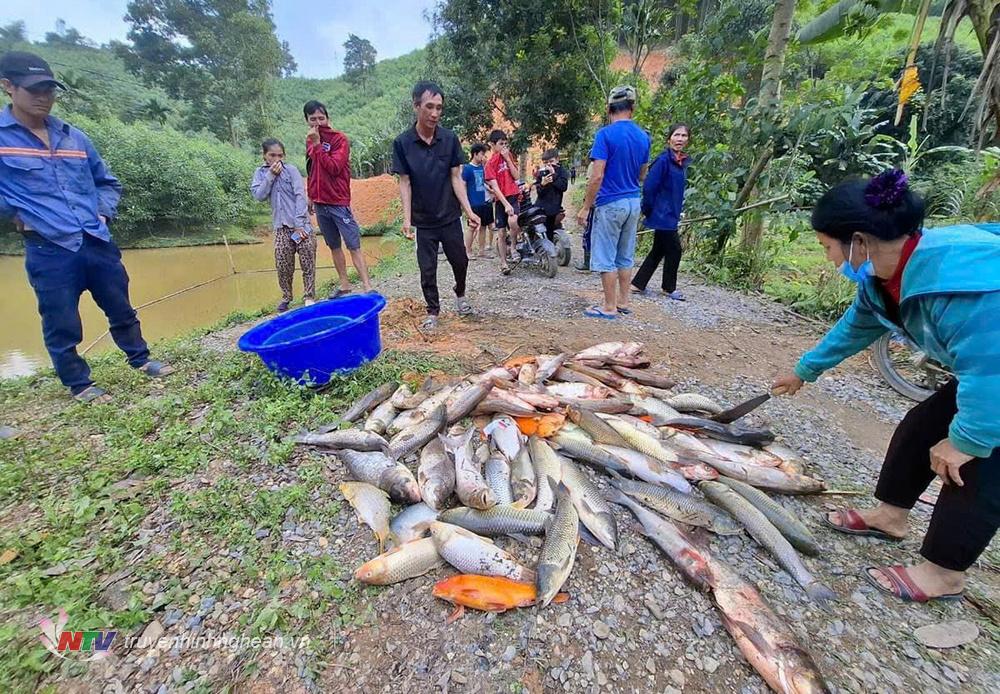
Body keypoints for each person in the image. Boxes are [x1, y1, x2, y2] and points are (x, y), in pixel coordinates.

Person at [772, 169, 1000, 604]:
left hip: (995, 368)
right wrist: (804, 370)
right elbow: (855, 327)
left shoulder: (958, 281)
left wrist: (968, 439)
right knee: (921, 428)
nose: (826, 258)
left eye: (826, 247)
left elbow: (992, 370)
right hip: (988, 370)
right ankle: (891, 516)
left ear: (858, 240)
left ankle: (944, 573)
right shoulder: (882, 277)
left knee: (976, 462)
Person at [0, 51, 172, 403]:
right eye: (34, 90)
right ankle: (79, 383)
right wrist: (14, 212)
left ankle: (140, 359)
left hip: (94, 238)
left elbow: (107, 183)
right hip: (48, 246)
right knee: (60, 318)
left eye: (49, 90)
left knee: (120, 305)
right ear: (8, 87)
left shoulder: (73, 137)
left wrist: (103, 215)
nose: (44, 97)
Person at [391, 81, 480, 331]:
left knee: (460, 261)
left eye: (439, 108)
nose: (434, 113)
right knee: (427, 269)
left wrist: (469, 211)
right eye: (429, 107)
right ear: (416, 106)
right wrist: (407, 219)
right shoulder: (402, 143)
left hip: (450, 217)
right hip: (424, 221)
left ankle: (460, 294)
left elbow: (456, 177)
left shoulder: (449, 139)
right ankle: (433, 310)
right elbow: (405, 183)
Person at [576, 85, 651, 319]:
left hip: (611, 203)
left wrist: (586, 207)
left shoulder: (605, 135)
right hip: (633, 202)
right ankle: (623, 302)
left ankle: (608, 307)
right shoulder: (643, 136)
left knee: (606, 254)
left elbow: (597, 175)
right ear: (632, 108)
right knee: (625, 254)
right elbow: (642, 175)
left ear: (608, 109)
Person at [303, 100, 372, 297]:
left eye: (321, 118)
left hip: (338, 201)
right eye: (313, 119)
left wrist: (317, 145)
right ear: (307, 120)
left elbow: (334, 167)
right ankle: (344, 284)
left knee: (353, 243)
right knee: (333, 244)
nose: (317, 122)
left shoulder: (339, 139)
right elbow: (312, 169)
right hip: (320, 202)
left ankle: (367, 285)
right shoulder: (309, 140)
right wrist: (310, 194)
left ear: (327, 118)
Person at [250, 138, 316, 312]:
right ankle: (286, 297)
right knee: (283, 264)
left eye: (280, 155)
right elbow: (259, 195)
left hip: (301, 225)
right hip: (281, 227)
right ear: (264, 156)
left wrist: (299, 223)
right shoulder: (260, 173)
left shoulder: (291, 170)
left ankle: (309, 295)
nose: (277, 159)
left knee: (307, 259)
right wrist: (271, 175)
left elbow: (300, 195)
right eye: (272, 155)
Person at [631, 124, 691, 300]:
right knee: (675, 249)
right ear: (669, 139)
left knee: (659, 249)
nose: (680, 139)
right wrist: (647, 209)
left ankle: (637, 284)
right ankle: (668, 288)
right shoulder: (663, 160)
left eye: (684, 136)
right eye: (677, 135)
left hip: (671, 213)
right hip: (661, 214)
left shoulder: (680, 161)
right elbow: (649, 187)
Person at [485, 129, 523, 275]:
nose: (504, 147)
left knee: (514, 221)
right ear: (493, 145)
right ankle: (503, 262)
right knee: (501, 232)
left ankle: (513, 247)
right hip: (501, 200)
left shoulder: (508, 157)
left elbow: (516, 176)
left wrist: (508, 159)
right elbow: (495, 188)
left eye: (506, 144)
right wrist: (505, 204)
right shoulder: (490, 164)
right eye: (501, 144)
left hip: (513, 194)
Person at [461, 143, 494, 259]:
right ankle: (467, 251)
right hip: (473, 203)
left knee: (484, 226)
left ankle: (481, 250)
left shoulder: (482, 168)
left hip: (484, 202)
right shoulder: (467, 168)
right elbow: (463, 186)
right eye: (482, 154)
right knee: (472, 227)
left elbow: (483, 182)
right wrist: (465, 204)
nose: (483, 157)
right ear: (475, 154)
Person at [532, 148, 568, 235]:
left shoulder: (562, 171)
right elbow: (539, 193)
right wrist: (542, 184)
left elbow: (563, 187)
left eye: (551, 161)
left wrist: (554, 175)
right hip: (541, 207)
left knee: (550, 232)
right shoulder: (541, 172)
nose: (549, 164)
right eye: (546, 163)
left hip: (554, 208)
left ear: (557, 159)